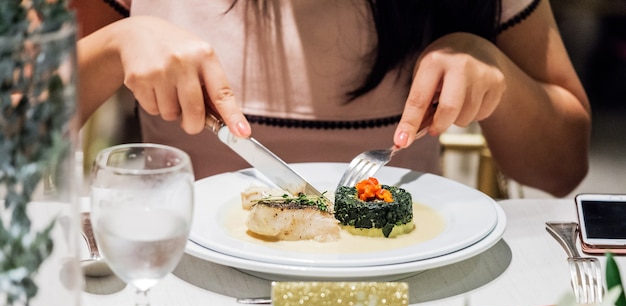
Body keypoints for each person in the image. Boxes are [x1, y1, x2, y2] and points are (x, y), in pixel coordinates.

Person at [71, 0, 591, 197]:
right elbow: (15, 135)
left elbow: (562, 169)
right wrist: (111, 47)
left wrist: (493, 67)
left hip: (405, 287)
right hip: (188, 291)